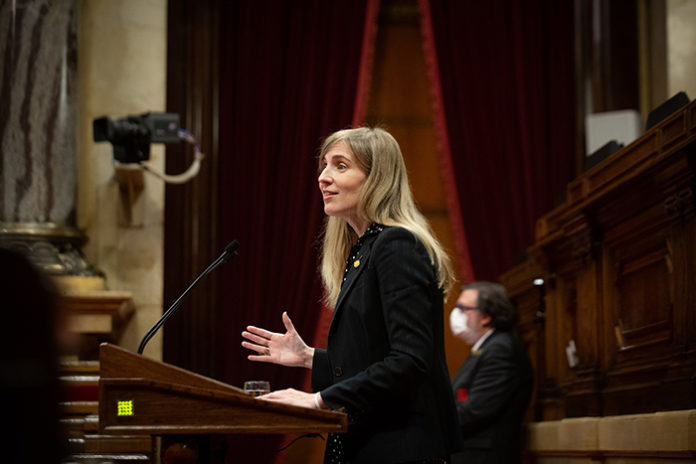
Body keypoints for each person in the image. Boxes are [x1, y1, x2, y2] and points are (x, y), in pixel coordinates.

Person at [241, 127, 462, 463]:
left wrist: (319, 400)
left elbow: (410, 361)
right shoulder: (365, 250)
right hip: (371, 441)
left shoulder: (397, 246)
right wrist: (309, 357)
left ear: (377, 179)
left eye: (340, 166)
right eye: (324, 165)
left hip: (400, 447)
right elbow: (373, 360)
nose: (323, 178)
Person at [448, 281, 533, 464]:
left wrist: (429, 420)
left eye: (464, 308)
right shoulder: (485, 347)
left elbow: (475, 410)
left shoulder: (499, 348)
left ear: (486, 316)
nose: (456, 314)